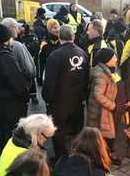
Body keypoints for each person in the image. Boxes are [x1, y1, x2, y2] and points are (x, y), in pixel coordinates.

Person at [42, 25, 89, 165]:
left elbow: (50, 82)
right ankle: (80, 153)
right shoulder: (82, 53)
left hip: (60, 100)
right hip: (77, 98)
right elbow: (87, 78)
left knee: (59, 128)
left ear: (59, 37)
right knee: (78, 127)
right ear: (73, 36)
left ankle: (61, 158)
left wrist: (48, 99)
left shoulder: (56, 55)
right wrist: (82, 96)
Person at [0, 24, 30, 154]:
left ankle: (2, 156)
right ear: (6, 39)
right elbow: (18, 82)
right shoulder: (5, 57)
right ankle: (12, 164)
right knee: (12, 136)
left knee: (0, 131)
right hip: (10, 106)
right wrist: (26, 98)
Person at [87, 47, 122, 165]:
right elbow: (98, 95)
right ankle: (100, 159)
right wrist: (113, 106)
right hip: (101, 112)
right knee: (101, 137)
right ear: (107, 60)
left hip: (106, 111)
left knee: (107, 135)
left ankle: (107, 155)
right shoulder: (102, 75)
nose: (116, 59)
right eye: (114, 57)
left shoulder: (109, 70)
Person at [1, 17, 36, 89]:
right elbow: (29, 71)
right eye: (15, 27)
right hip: (17, 89)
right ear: (9, 29)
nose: (18, 30)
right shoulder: (17, 46)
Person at [16, 19, 40, 104]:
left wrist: (25, 47)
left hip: (31, 59)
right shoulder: (16, 36)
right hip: (19, 60)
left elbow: (36, 45)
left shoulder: (31, 35)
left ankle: (33, 96)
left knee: (31, 77)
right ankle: (24, 96)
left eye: (21, 26)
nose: (19, 28)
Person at [36, 18, 60, 85]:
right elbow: (41, 61)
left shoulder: (62, 41)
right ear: (49, 30)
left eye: (58, 27)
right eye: (55, 28)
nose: (58, 30)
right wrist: (39, 77)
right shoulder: (45, 43)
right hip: (50, 74)